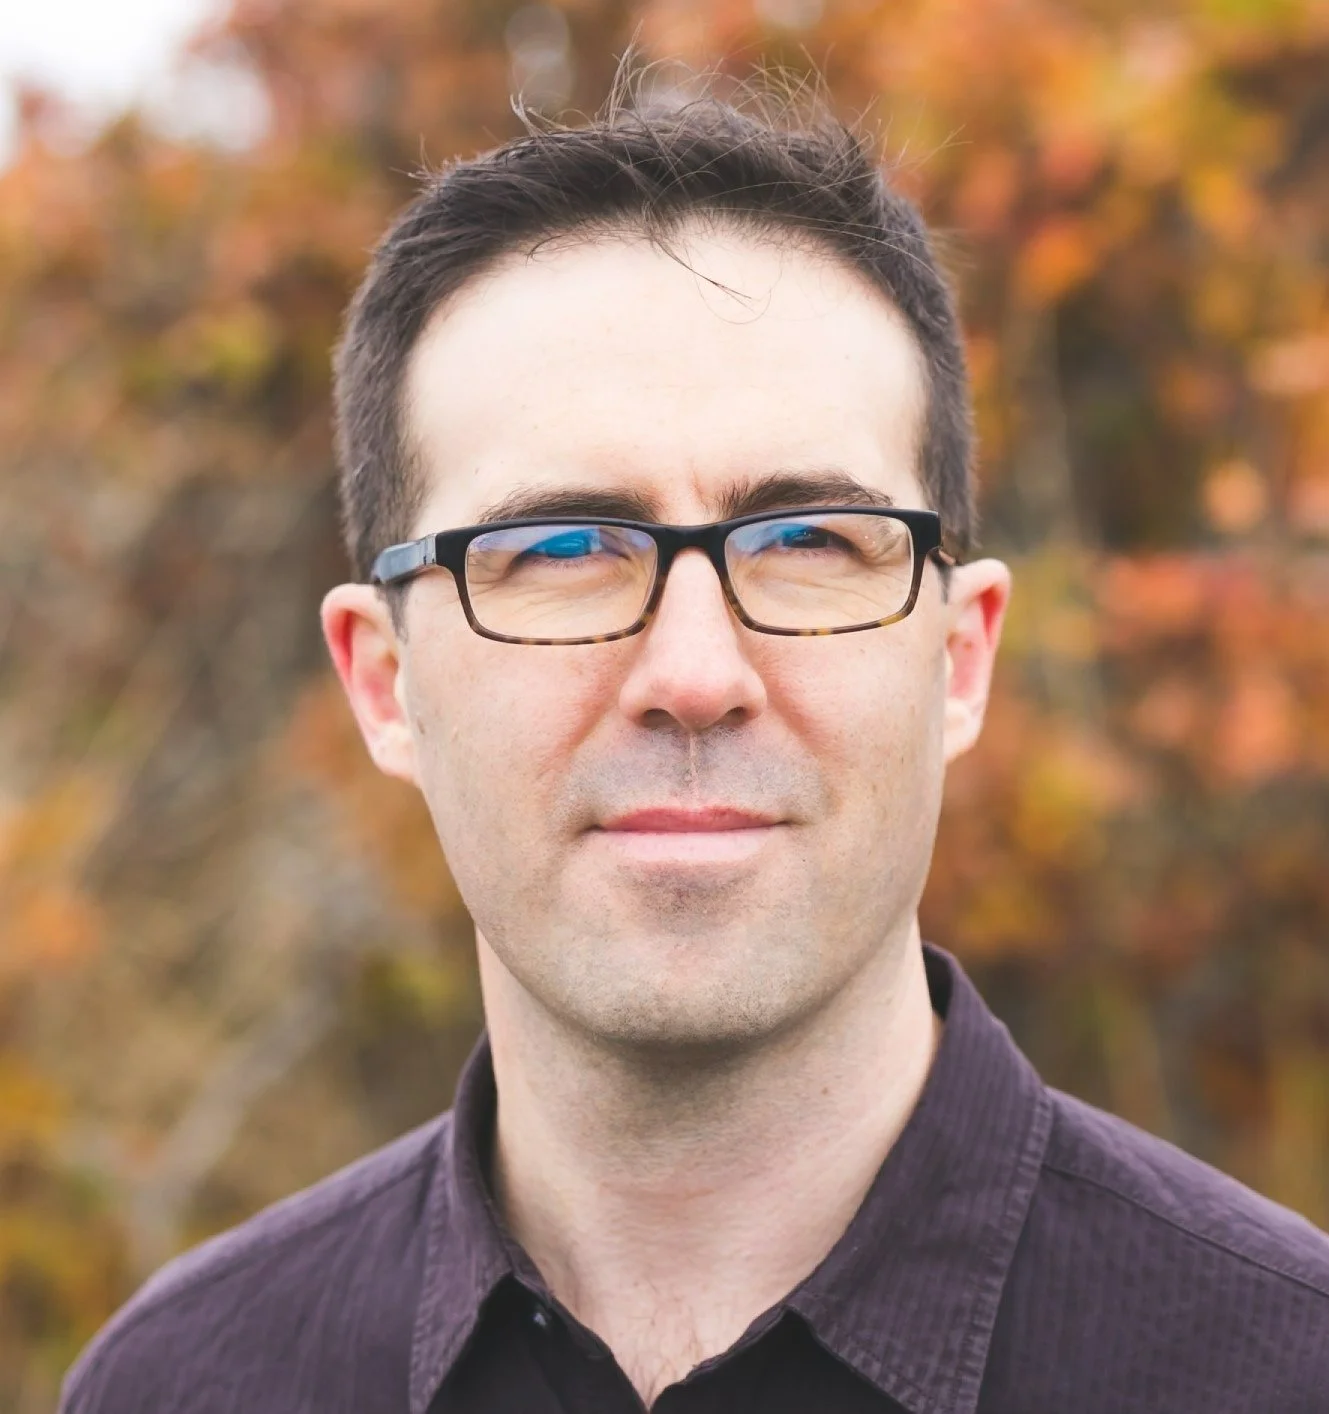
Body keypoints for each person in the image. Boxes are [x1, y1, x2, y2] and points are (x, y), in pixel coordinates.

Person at [61, 80, 1329, 1414]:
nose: (694, 675)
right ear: (384, 683)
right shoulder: (183, 1384)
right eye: (557, 548)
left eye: (807, 541)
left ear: (961, 656)